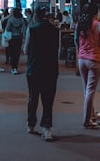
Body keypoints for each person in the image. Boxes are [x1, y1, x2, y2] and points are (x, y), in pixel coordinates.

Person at [24, 9, 59, 142]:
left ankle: (31, 124)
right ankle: (47, 128)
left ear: (36, 17)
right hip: (50, 69)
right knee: (48, 100)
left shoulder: (31, 29)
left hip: (34, 69)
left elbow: (26, 49)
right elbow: (57, 49)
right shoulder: (55, 31)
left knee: (33, 98)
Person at [76, 3, 100, 129]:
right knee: (90, 90)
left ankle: (92, 114)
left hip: (82, 60)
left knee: (86, 89)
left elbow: (75, 41)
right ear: (95, 13)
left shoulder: (79, 25)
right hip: (94, 60)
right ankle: (87, 120)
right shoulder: (98, 25)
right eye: (98, 12)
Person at [5, 8, 28, 74]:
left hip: (12, 38)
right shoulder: (22, 20)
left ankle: (13, 67)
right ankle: (15, 67)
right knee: (17, 53)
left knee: (12, 53)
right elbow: (24, 29)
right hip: (19, 38)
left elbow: (7, 28)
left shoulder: (10, 20)